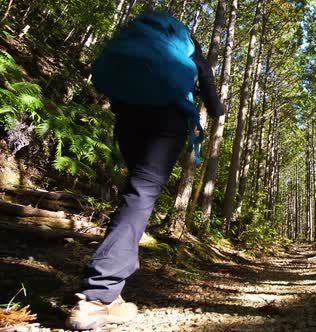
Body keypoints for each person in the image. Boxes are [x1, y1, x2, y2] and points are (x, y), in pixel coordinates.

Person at [65, 11, 223, 331]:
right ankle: (99, 296)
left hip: (128, 113)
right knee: (142, 191)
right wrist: (215, 110)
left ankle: (110, 291)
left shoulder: (141, 31)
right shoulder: (189, 43)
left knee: (135, 191)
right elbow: (205, 79)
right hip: (168, 116)